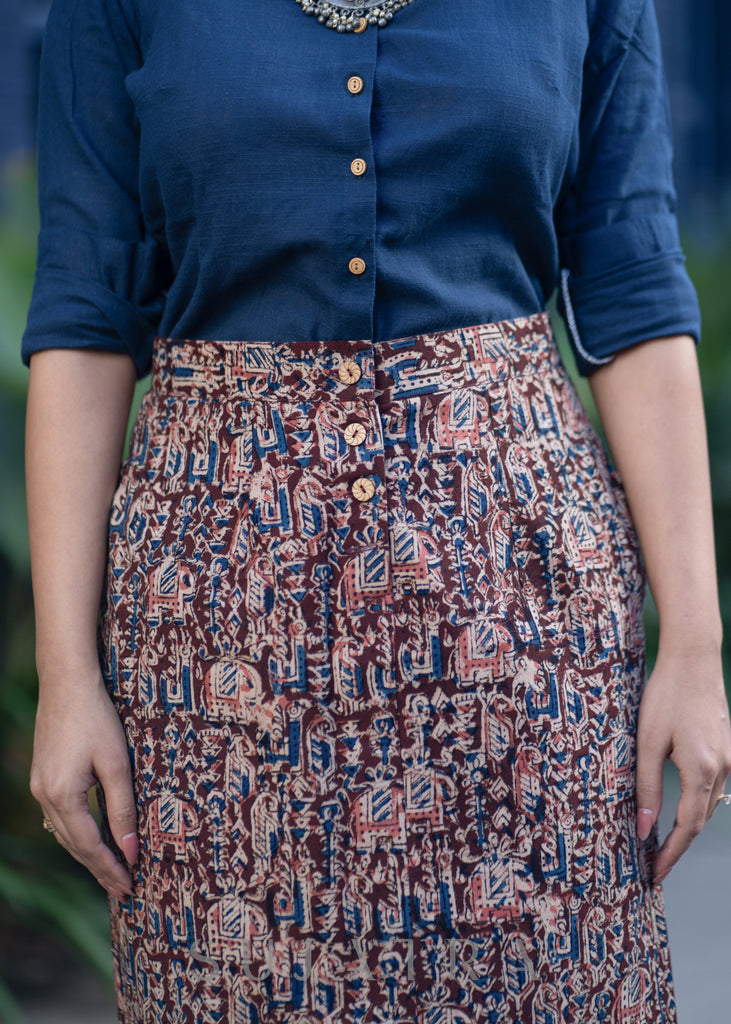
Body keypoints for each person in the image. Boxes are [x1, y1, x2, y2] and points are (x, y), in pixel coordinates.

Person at [21, 0, 731, 1020]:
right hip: (220, 653)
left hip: (524, 638)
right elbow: (86, 314)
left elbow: (632, 290)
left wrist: (695, 650)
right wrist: (65, 674)